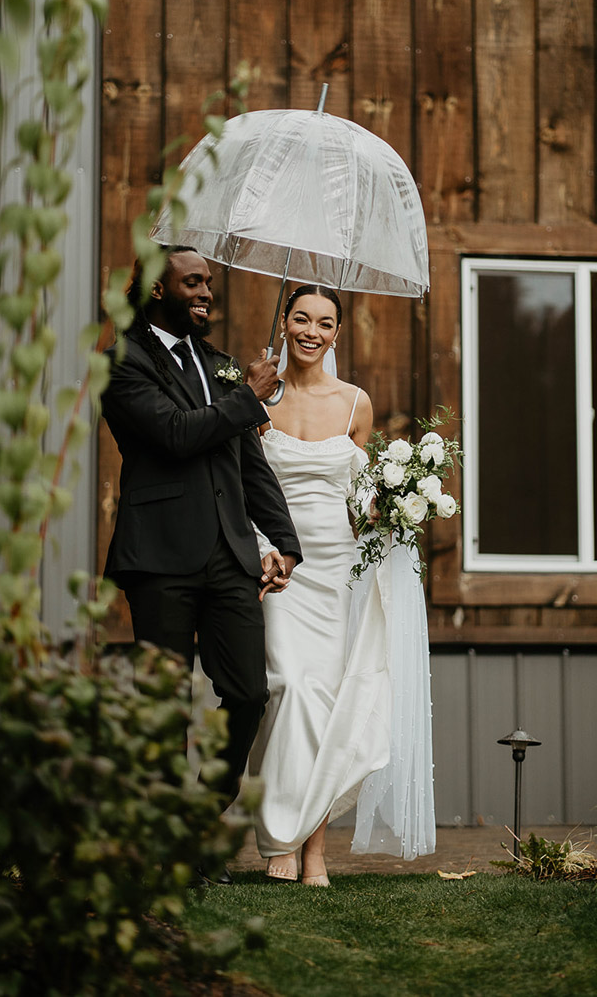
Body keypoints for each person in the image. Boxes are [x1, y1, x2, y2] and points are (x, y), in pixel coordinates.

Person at [101, 245, 302, 844]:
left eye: (208, 282)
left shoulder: (221, 365)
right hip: (158, 556)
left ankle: (201, 812)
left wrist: (285, 542)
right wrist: (249, 399)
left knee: (248, 692)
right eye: (192, 283)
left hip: (229, 556)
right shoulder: (121, 360)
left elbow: (249, 463)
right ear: (159, 291)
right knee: (162, 705)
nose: (206, 292)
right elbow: (174, 434)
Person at [248, 285, 435, 886]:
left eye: (324, 323)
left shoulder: (356, 403)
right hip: (279, 566)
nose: (312, 331)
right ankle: (280, 832)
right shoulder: (257, 399)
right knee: (292, 688)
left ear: (335, 333)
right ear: (284, 322)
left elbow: (360, 496)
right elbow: (243, 486)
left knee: (331, 705)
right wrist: (259, 552)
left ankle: (313, 851)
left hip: (339, 569)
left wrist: (388, 505)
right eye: (301, 318)